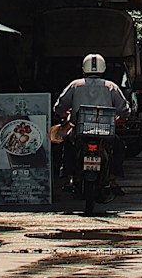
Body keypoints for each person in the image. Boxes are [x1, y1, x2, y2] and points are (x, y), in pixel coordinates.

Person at [55, 55, 129, 193]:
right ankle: (112, 179)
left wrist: (62, 114)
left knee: (68, 146)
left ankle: (70, 178)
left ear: (83, 69)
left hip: (80, 131)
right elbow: (124, 109)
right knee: (119, 147)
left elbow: (60, 105)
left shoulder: (75, 85)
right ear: (104, 69)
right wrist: (123, 117)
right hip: (106, 132)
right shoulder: (111, 87)